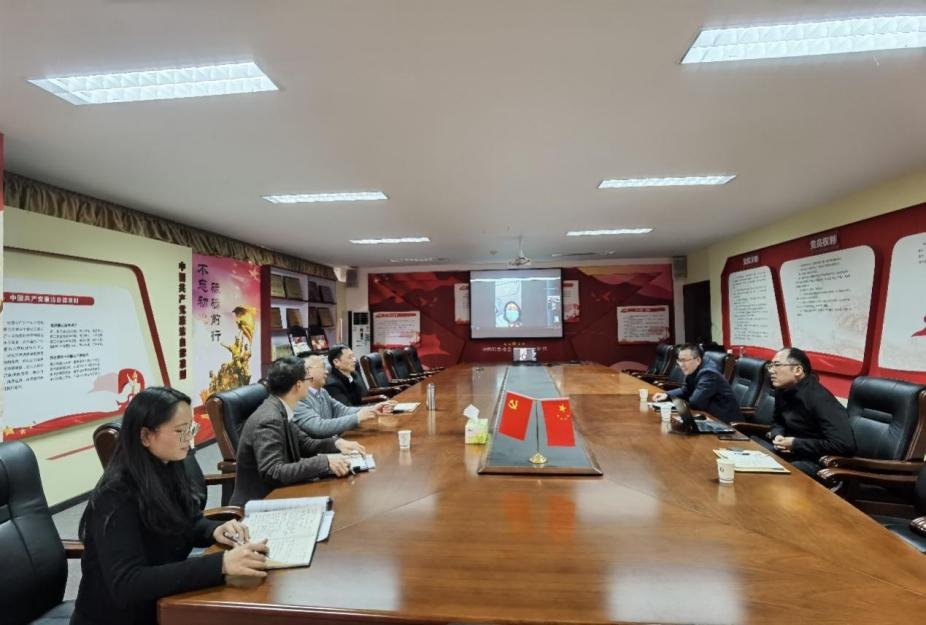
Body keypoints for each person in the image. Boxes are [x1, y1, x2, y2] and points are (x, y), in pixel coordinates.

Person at [71, 387, 268, 625]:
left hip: (161, 603)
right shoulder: (115, 495)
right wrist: (221, 564)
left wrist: (214, 530)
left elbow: (186, 522)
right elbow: (128, 583)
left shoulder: (168, 467)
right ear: (145, 436)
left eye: (191, 428)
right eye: (180, 430)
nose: (189, 439)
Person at [230, 357, 367, 506]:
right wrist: (324, 462)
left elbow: (305, 444)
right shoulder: (269, 418)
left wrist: (337, 443)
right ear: (298, 385)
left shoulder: (280, 408)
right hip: (262, 502)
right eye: (308, 379)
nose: (310, 383)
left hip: (282, 491)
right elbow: (273, 471)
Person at [761, 347, 856, 476]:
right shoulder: (782, 389)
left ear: (798, 370)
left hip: (818, 461)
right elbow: (777, 421)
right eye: (770, 366)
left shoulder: (819, 398)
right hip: (791, 453)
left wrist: (795, 444)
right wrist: (778, 435)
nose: (771, 371)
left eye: (777, 365)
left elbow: (844, 444)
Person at [294, 354, 393, 437]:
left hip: (333, 442)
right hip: (322, 449)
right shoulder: (297, 398)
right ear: (307, 371)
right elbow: (318, 427)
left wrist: (372, 409)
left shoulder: (322, 392)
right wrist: (357, 418)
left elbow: (343, 410)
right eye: (323, 367)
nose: (327, 371)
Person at [652, 343, 742, 423]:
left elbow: (695, 403)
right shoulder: (696, 367)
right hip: (708, 416)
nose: (681, 365)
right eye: (679, 360)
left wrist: (677, 404)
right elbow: (686, 389)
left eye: (685, 360)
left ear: (698, 360)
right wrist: (667, 395)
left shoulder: (708, 374)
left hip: (725, 423)